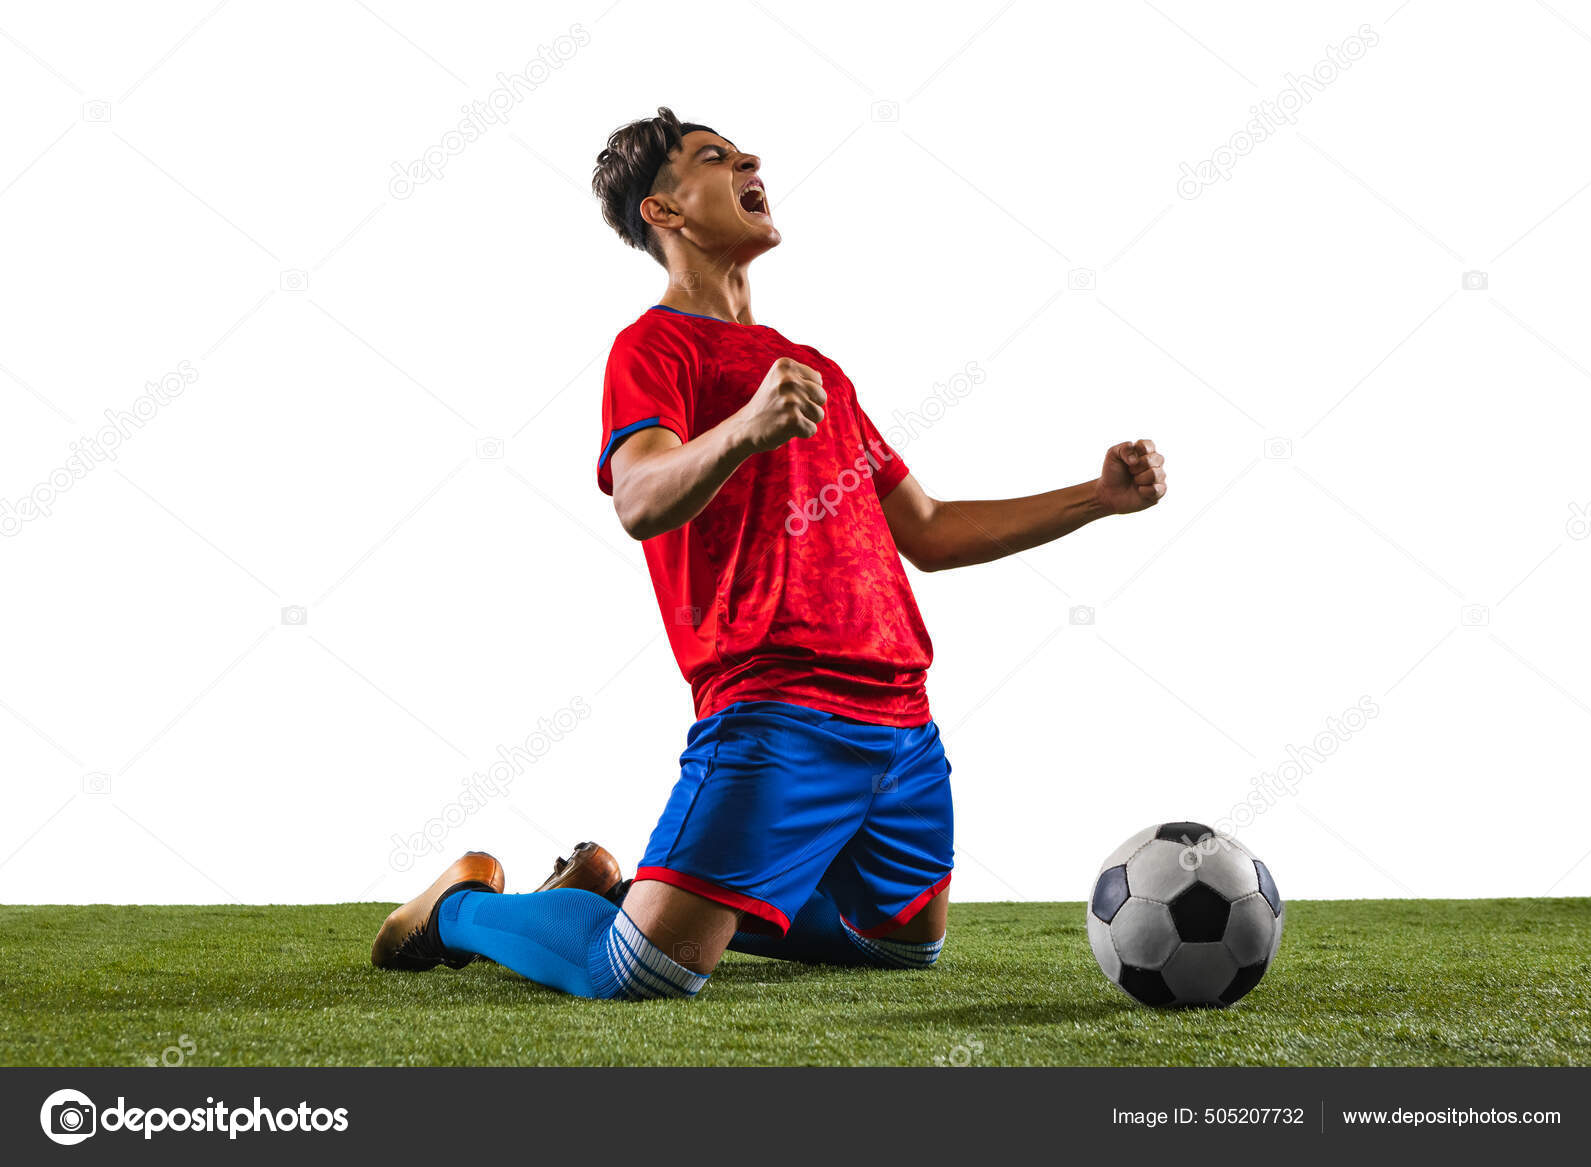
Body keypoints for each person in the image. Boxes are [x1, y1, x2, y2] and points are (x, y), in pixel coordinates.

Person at [371, 108, 1167, 1000]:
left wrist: (1095, 499)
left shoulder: (813, 368)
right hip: (776, 709)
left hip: (903, 725)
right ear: (664, 213)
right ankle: (459, 908)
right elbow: (637, 497)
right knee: (638, 972)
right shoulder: (653, 347)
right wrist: (746, 426)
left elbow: (931, 528)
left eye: (743, 151)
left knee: (897, 951)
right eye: (714, 158)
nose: (749, 159)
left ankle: (626, 893)